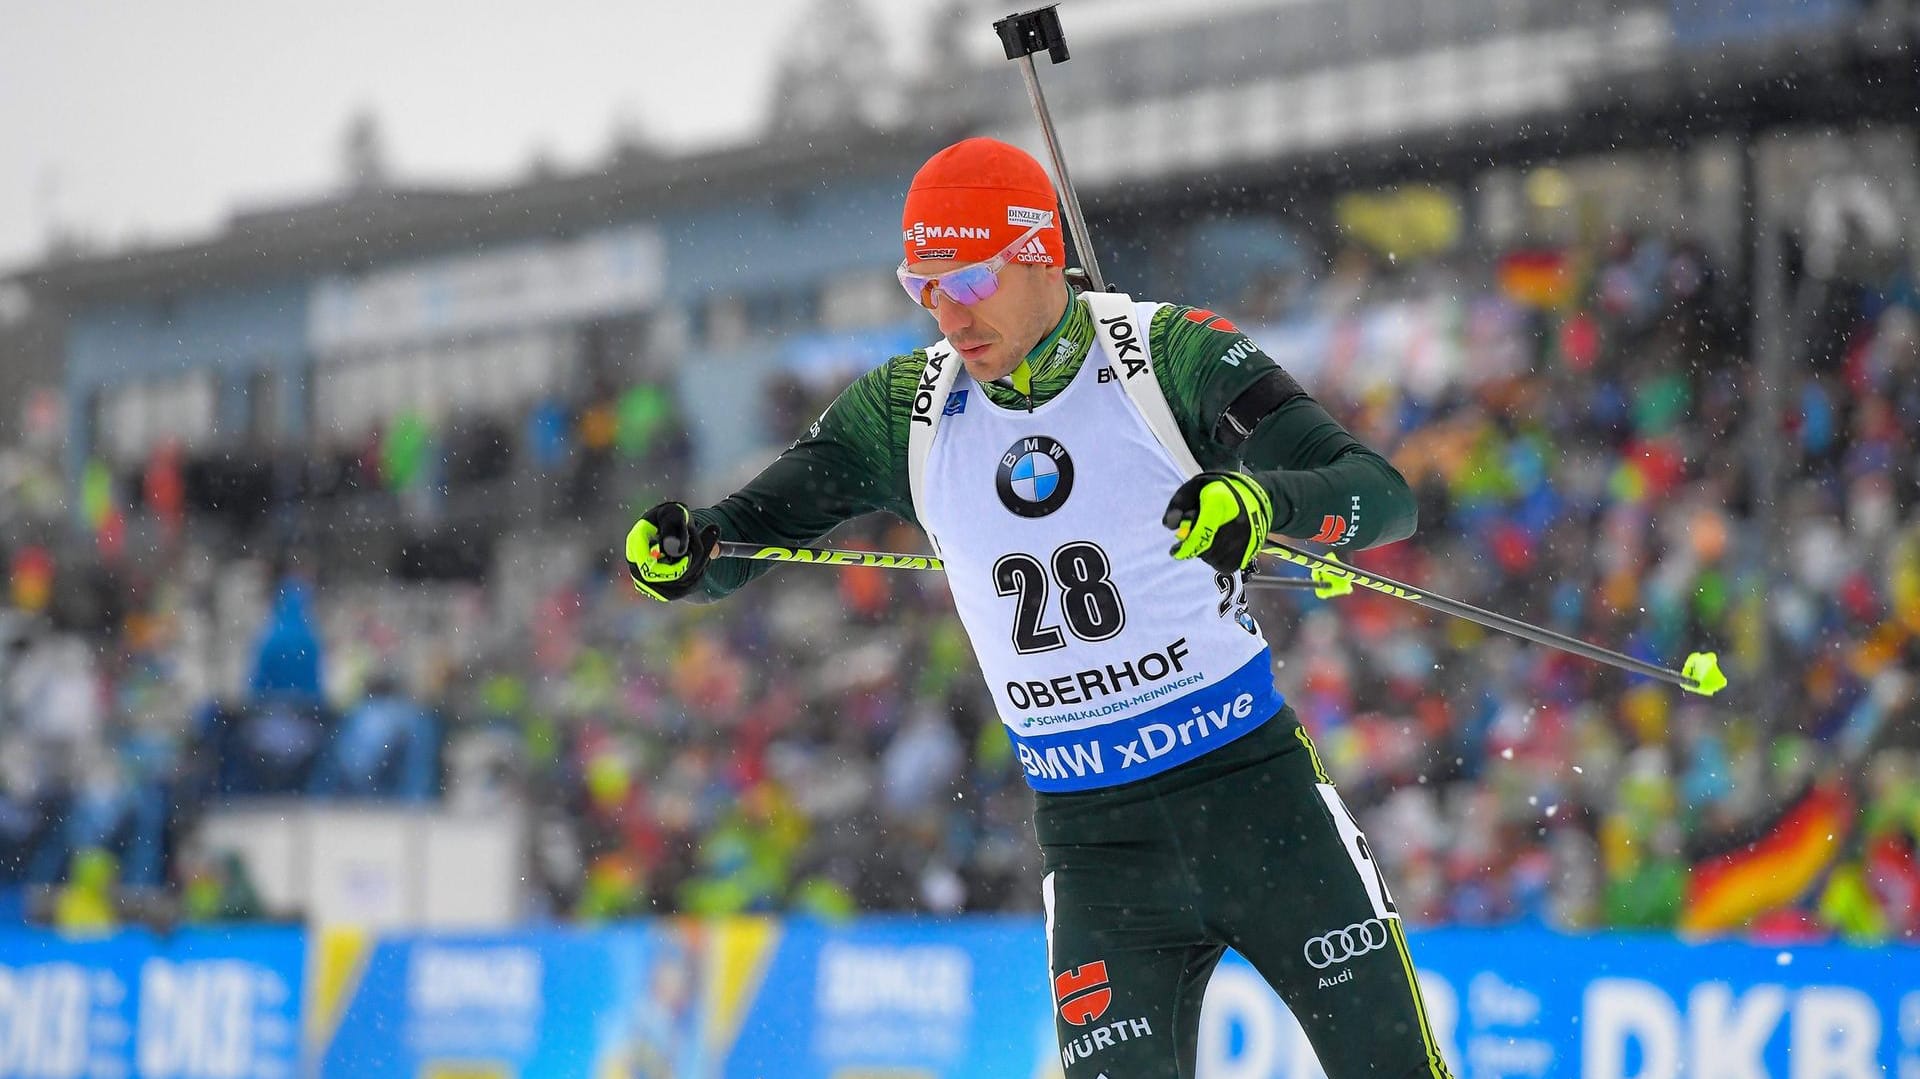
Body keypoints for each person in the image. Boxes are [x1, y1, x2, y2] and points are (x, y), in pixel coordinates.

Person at [626, 137, 1451, 1079]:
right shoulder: (907, 411)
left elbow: (1379, 493)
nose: (944, 311)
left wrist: (1265, 503)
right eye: (919, 283)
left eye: (966, 279)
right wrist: (687, 549)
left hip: (1254, 803)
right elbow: (743, 535)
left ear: (1035, 251)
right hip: (1100, 848)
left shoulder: (1165, 356)